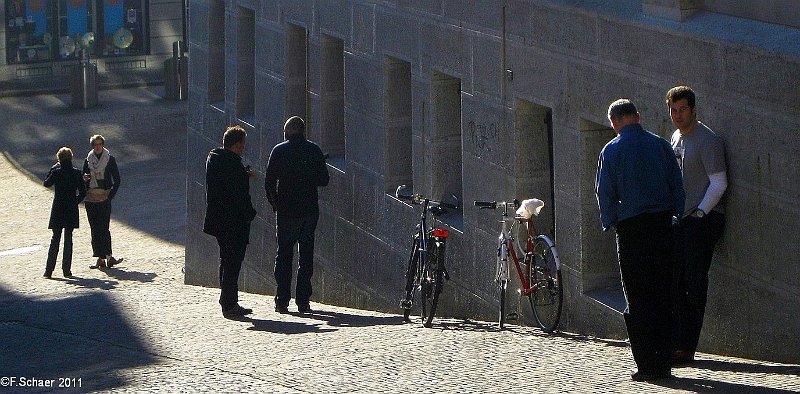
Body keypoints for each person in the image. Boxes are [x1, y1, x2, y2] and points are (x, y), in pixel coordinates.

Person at [595, 99, 685, 381]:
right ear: (638, 116)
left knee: (637, 296)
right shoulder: (661, 145)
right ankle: (664, 363)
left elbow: (605, 192)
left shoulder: (612, 150)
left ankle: (646, 365)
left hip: (632, 229)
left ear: (615, 122)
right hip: (661, 226)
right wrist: (675, 216)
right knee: (662, 294)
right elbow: (677, 185)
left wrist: (612, 222)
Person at [666, 86, 727, 365]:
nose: (677, 115)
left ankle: (686, 347)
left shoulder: (707, 140)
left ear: (693, 110)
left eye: (682, 110)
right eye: (673, 110)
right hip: (681, 219)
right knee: (676, 282)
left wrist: (701, 213)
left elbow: (719, 182)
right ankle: (675, 342)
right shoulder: (677, 137)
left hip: (702, 221)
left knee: (693, 284)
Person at [265, 116, 330, 314]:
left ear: (289, 131)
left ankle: (282, 300)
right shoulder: (314, 150)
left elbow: (269, 182)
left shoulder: (279, 150)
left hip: (286, 211)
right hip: (309, 210)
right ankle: (303, 301)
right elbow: (324, 180)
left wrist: (275, 203)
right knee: (306, 256)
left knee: (284, 255)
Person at [203, 125, 258, 319]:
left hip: (218, 221)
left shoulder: (215, 158)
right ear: (236, 145)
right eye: (242, 144)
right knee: (233, 263)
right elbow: (238, 195)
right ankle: (229, 304)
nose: (243, 148)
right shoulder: (234, 164)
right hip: (233, 222)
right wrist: (251, 213)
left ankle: (227, 300)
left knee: (225, 261)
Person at [43, 147, 86, 278]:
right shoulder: (77, 173)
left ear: (59, 159)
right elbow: (83, 192)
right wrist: (75, 202)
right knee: (68, 239)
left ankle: (49, 271)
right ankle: (66, 270)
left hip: (58, 208)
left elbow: (46, 183)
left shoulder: (56, 172)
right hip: (71, 209)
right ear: (71, 158)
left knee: (55, 239)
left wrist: (52, 168)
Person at [82, 135, 122, 269]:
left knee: (104, 228)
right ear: (92, 146)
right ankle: (100, 258)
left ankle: (109, 256)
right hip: (91, 198)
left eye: (100, 144)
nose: (98, 147)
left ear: (103, 145)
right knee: (95, 229)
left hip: (104, 198)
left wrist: (110, 196)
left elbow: (117, 180)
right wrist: (85, 180)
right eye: (95, 144)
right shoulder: (88, 160)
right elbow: (83, 178)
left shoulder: (109, 159)